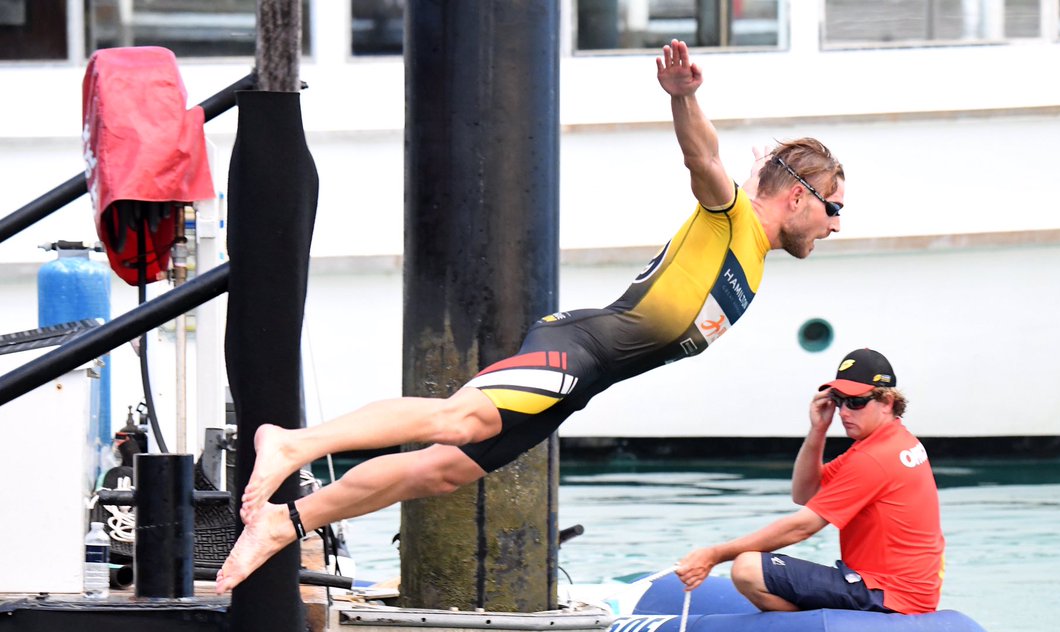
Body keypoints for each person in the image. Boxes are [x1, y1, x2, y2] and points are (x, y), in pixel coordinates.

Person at [215, 39, 846, 593]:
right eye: (834, 207)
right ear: (797, 195)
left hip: (589, 380)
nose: (837, 224)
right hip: (580, 349)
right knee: (456, 420)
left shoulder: (757, 261)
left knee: (438, 472)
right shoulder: (729, 215)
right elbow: (703, 159)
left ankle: (285, 521)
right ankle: (293, 443)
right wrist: (683, 99)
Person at [674, 348, 944, 615]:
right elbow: (806, 493)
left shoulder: (875, 457)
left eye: (855, 402)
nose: (844, 412)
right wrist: (818, 430)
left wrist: (714, 555)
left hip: (888, 594)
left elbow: (801, 528)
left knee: (747, 569)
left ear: (886, 402)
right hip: (905, 590)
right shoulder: (894, 441)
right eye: (839, 401)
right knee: (754, 566)